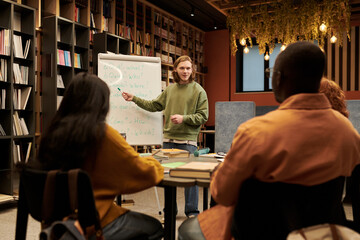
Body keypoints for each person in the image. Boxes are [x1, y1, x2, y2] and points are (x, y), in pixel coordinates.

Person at [178, 41, 360, 239]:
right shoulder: (348, 134)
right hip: (322, 233)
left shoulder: (255, 132)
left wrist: (219, 174)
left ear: (279, 78)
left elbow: (223, 195)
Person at [36, 72, 164, 240]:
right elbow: (143, 172)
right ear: (101, 103)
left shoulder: (52, 131)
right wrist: (155, 162)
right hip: (93, 220)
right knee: (154, 227)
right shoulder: (103, 134)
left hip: (57, 219)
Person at [122, 55, 209, 217]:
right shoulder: (169, 90)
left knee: (190, 178)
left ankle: (192, 211)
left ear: (192, 70)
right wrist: (134, 98)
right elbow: (153, 105)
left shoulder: (199, 91)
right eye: (182, 68)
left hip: (188, 142)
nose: (185, 71)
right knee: (168, 178)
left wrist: (184, 118)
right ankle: (170, 210)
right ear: (175, 69)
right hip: (168, 142)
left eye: (188, 68)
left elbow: (203, 116)